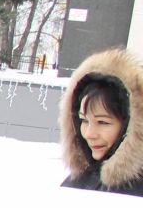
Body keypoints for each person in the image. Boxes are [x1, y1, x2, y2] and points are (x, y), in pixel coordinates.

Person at [58, 49, 143, 197]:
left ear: (131, 126)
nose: (89, 134)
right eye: (84, 120)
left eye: (103, 122)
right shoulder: (78, 181)